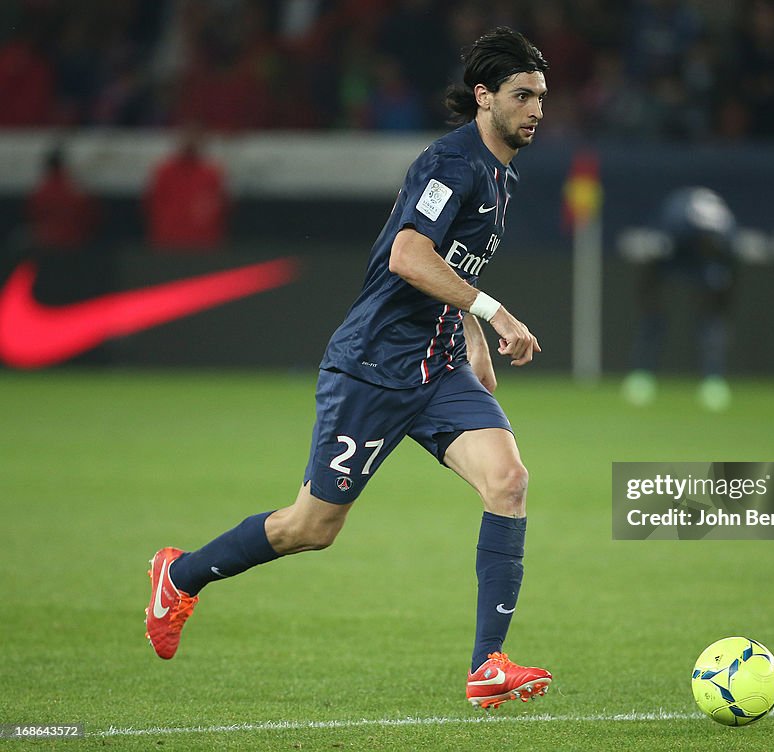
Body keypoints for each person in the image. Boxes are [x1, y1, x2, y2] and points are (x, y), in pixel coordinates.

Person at [145, 27, 552, 710]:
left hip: (437, 364)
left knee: (508, 481)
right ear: (483, 97)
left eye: (541, 95)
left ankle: (488, 667)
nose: (536, 108)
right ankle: (180, 575)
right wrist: (497, 312)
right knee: (312, 528)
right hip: (373, 367)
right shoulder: (451, 164)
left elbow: (449, 268)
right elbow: (409, 257)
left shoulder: (499, 173)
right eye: (521, 95)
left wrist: (473, 336)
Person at [618, 187, 737, 411]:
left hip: (706, 260)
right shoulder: (675, 224)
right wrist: (650, 299)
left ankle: (714, 380)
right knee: (653, 319)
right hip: (672, 254)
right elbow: (652, 266)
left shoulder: (725, 237)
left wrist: (719, 300)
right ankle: (641, 376)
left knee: (710, 323)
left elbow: (728, 278)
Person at [143, 124, 228, 252]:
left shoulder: (211, 174)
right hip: (168, 240)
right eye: (186, 137)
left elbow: (221, 208)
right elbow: (152, 205)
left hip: (204, 242)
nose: (190, 142)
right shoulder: (165, 172)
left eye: (195, 137)